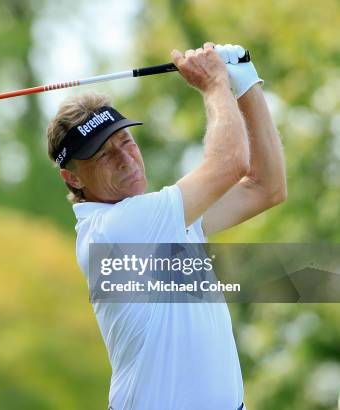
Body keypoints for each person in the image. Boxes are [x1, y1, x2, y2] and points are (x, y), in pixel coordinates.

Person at [46, 43, 287, 410]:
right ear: (72, 178)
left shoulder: (162, 218)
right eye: (104, 154)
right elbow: (231, 162)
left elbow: (266, 187)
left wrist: (246, 84)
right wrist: (214, 85)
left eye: (126, 141)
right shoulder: (116, 230)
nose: (125, 158)